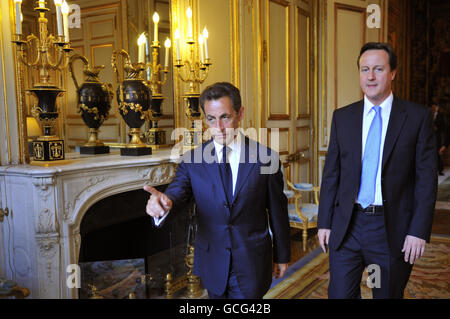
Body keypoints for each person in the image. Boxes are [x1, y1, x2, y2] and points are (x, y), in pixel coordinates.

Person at [144, 82, 290, 299]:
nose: (219, 127)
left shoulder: (266, 159)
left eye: (225, 117)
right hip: (213, 263)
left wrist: (282, 255)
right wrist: (164, 204)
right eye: (211, 119)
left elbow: (278, 212)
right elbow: (176, 193)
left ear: (240, 114)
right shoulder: (192, 160)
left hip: (251, 263)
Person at [317, 42, 437, 299]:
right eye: (365, 69)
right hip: (348, 225)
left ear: (393, 73)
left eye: (378, 69)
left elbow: (426, 180)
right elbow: (331, 175)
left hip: (389, 228)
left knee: (385, 294)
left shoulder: (417, 118)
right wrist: (324, 221)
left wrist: (418, 230)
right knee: (339, 295)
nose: (370, 76)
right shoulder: (343, 117)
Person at [431, 103, 447, 175]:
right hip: (431, 136)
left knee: (438, 152)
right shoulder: (430, 114)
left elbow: (443, 125)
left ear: (437, 107)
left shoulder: (440, 115)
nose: (434, 108)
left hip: (438, 136)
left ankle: (440, 169)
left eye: (435, 107)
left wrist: (437, 128)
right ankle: (433, 169)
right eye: (433, 107)